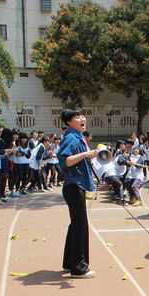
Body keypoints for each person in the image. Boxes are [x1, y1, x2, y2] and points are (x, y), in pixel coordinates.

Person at [57, 110, 97, 279]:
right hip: (74, 186)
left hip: (76, 185)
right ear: (68, 122)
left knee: (76, 225)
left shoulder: (78, 137)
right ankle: (79, 268)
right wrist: (86, 154)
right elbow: (65, 160)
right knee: (80, 226)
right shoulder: (71, 137)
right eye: (77, 117)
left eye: (82, 116)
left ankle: (70, 263)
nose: (82, 119)